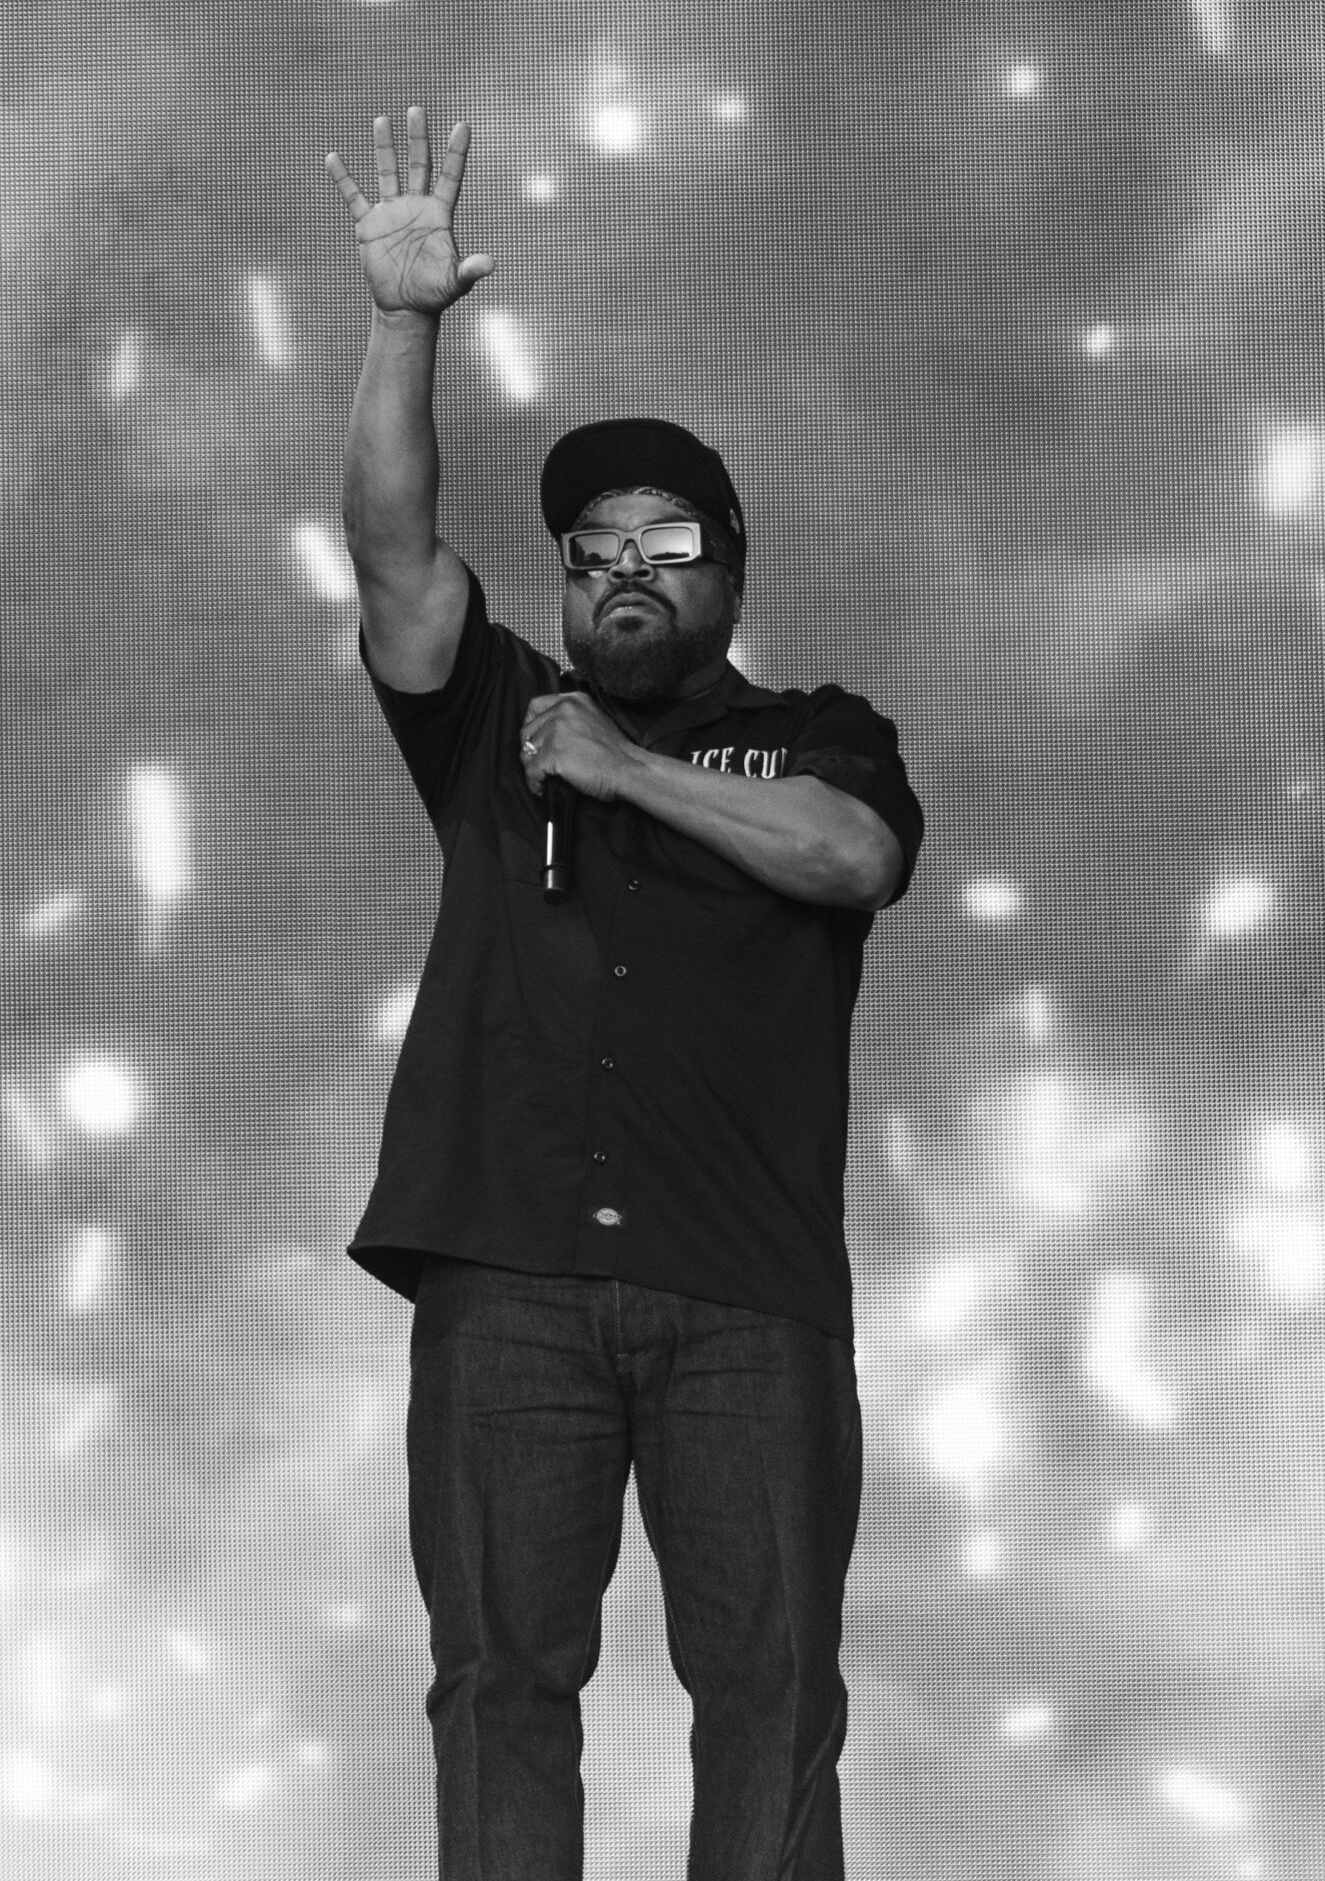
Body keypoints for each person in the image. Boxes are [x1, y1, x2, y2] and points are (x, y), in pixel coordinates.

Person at [325, 107, 924, 1881]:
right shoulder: (493, 715)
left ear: (726, 566)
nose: (621, 574)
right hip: (507, 1277)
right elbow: (394, 560)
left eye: (661, 542)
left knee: (769, 1692)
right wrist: (404, 325)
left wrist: (626, 771)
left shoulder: (816, 734)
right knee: (500, 1681)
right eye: (591, 551)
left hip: (745, 1294)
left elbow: (851, 858)